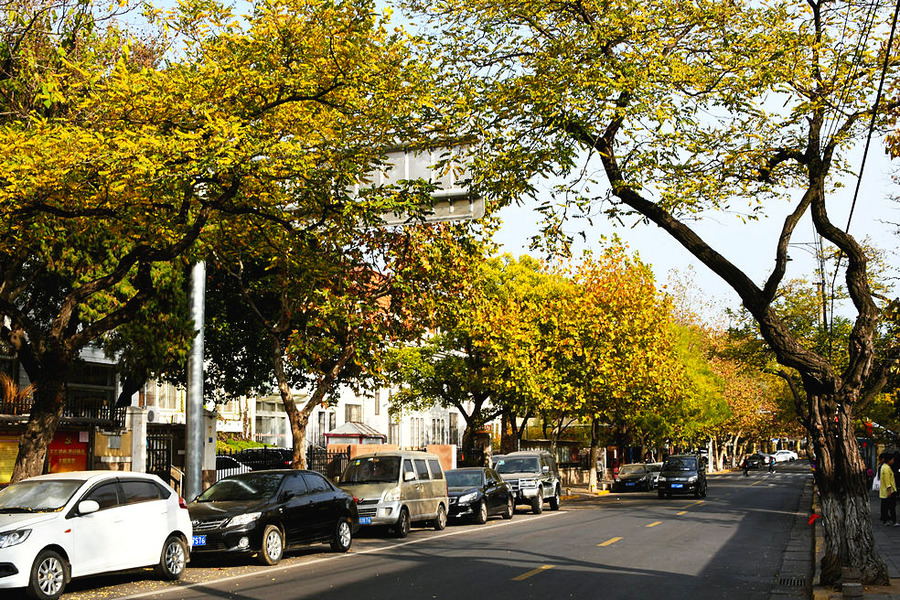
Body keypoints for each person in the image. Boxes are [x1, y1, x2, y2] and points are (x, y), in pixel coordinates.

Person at [879, 453, 899, 526]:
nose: (893, 461)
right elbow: (888, 481)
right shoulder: (887, 468)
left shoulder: (883, 467)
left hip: (884, 491)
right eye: (892, 459)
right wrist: (889, 490)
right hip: (889, 491)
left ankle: (886, 520)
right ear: (889, 460)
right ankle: (894, 521)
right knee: (892, 507)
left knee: (886, 507)